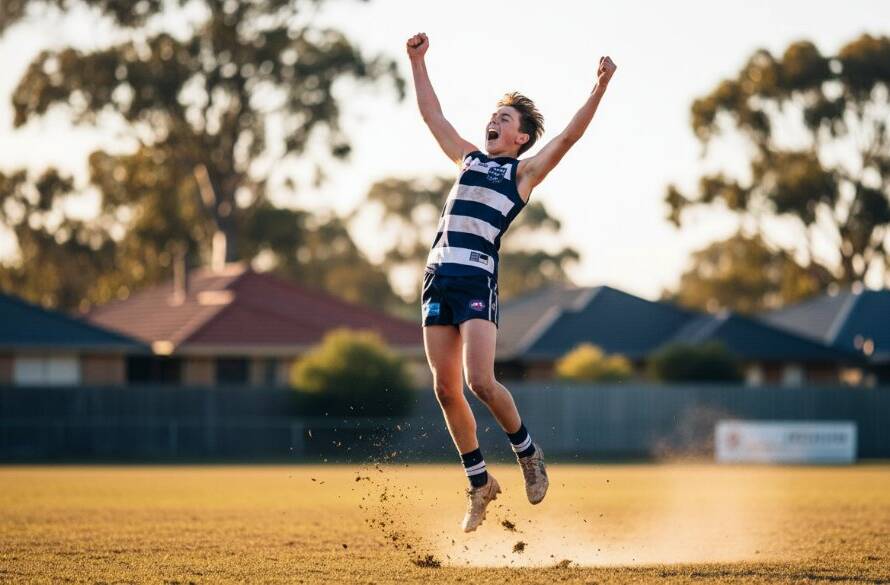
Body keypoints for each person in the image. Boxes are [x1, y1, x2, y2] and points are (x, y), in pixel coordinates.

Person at [407, 32, 616, 532]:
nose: (494, 122)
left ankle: (527, 453)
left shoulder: (521, 174)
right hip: (438, 278)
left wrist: (599, 87)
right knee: (444, 388)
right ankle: (480, 483)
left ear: (522, 137)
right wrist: (417, 62)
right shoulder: (467, 159)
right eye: (494, 116)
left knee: (480, 381)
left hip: (477, 280)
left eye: (506, 119)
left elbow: (568, 137)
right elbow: (433, 117)